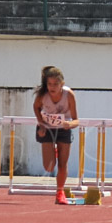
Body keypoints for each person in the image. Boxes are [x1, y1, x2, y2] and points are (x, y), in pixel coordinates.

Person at [33, 66, 80, 205]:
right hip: (47, 128)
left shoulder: (69, 95)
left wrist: (69, 124)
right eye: (49, 84)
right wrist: (41, 123)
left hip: (63, 129)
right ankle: (53, 152)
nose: (52, 87)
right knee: (49, 167)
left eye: (55, 84)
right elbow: (36, 107)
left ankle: (60, 193)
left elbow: (77, 120)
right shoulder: (42, 95)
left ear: (62, 84)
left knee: (63, 164)